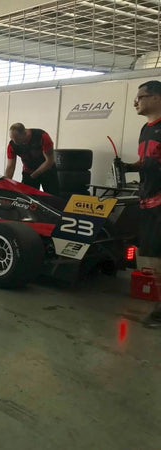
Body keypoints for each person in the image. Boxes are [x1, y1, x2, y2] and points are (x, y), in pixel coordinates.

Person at [122, 80, 161, 328]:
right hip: (146, 201)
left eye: (141, 97)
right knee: (152, 258)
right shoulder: (146, 129)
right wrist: (129, 167)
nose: (136, 101)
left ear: (157, 98)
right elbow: (145, 161)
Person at [4, 123, 59, 195]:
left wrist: (33, 175)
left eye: (17, 139)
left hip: (47, 170)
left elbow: (49, 161)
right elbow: (10, 167)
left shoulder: (42, 136)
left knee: (52, 197)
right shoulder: (12, 145)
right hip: (28, 172)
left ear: (25, 133)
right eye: (12, 138)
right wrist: (5, 184)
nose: (15, 142)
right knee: (26, 198)